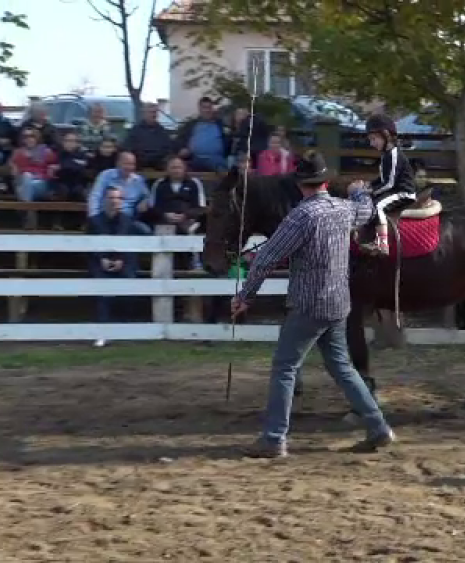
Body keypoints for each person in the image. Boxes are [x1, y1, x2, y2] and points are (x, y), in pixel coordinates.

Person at [230, 151, 395, 458]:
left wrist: (245, 296)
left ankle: (274, 437)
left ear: (299, 184)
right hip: (338, 304)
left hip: (308, 304)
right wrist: (359, 190)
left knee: (284, 367)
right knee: (342, 367)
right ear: (326, 181)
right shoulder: (344, 209)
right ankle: (378, 427)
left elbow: (266, 258)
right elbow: (366, 208)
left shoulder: (300, 217)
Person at [350, 114, 417, 256]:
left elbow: (390, 183)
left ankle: (382, 244)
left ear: (386, 135)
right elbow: (382, 178)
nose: (371, 143)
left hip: (403, 192)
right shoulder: (386, 154)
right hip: (394, 189)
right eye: (370, 140)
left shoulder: (393, 154)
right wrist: (368, 185)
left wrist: (371, 191)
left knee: (377, 206)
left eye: (374, 139)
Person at [87, 187, 141, 347]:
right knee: (102, 289)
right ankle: (103, 332)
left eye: (118, 198)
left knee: (129, 283)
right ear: (105, 200)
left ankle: (123, 327)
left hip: (123, 262)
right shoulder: (94, 221)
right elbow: (88, 246)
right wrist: (102, 258)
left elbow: (133, 245)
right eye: (111, 198)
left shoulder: (128, 221)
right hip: (99, 262)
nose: (114, 201)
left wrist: (121, 260)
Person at [87, 150, 152, 234]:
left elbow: (148, 197)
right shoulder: (106, 175)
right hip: (106, 216)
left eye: (132, 164)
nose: (130, 167)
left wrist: (145, 201)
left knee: (145, 230)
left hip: (128, 218)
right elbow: (95, 196)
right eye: (126, 164)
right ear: (118, 164)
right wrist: (94, 216)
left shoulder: (138, 180)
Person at [175, 96, 229, 173]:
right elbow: (178, 141)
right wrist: (182, 149)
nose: (207, 110)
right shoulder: (191, 125)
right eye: (204, 107)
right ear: (199, 109)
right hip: (194, 159)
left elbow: (229, 141)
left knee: (219, 164)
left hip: (216, 158)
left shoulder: (220, 125)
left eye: (209, 107)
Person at [10, 128, 58, 203]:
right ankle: (28, 208)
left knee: (26, 180)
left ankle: (25, 207)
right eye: (26, 136)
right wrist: (14, 171)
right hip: (22, 183)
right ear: (22, 139)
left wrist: (53, 169)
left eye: (32, 136)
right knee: (26, 178)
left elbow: (56, 165)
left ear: (37, 137)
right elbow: (14, 173)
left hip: (40, 183)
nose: (29, 139)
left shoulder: (45, 151)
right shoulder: (18, 153)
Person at [123, 102, 173, 170]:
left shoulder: (162, 131)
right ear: (144, 113)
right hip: (139, 165)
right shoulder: (135, 130)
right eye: (151, 112)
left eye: (155, 112)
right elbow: (128, 147)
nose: (154, 115)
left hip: (159, 165)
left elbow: (168, 149)